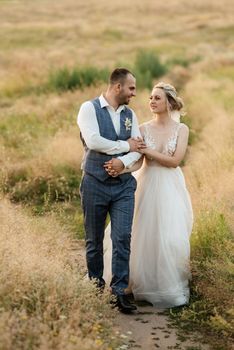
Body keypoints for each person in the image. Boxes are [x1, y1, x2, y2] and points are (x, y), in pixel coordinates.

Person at [104, 82, 193, 308]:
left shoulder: (182, 130)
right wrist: (120, 168)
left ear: (169, 103)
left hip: (170, 185)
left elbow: (174, 161)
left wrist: (146, 149)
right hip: (146, 181)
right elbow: (138, 163)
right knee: (141, 233)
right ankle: (132, 283)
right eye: (151, 98)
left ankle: (164, 285)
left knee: (169, 235)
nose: (151, 102)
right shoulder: (142, 128)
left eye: (157, 98)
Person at [77, 68, 146, 313]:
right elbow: (93, 140)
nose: (134, 94)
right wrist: (123, 146)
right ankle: (95, 286)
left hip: (124, 187)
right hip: (94, 182)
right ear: (118, 87)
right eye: (131, 88)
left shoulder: (130, 114)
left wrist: (123, 163)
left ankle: (119, 292)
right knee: (93, 239)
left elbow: (139, 147)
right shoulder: (89, 108)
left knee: (122, 238)